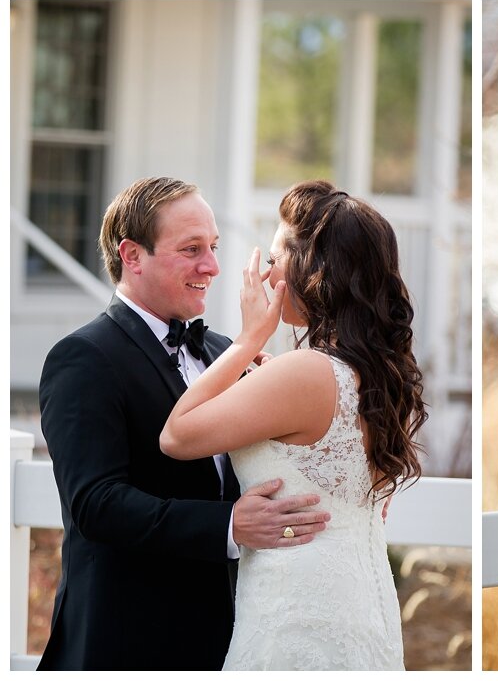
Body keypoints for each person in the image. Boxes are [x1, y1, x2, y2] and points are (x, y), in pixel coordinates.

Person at [37, 177, 331, 670]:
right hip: (127, 641)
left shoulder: (224, 352)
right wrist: (228, 525)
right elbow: (96, 502)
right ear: (132, 255)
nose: (212, 266)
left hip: (231, 637)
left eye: (213, 247)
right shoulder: (83, 357)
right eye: (191, 249)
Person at [160, 180, 426, 671]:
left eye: (279, 254)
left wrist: (246, 340)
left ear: (315, 268)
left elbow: (177, 436)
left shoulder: (304, 372)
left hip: (299, 611)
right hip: (362, 604)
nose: (266, 271)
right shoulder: (374, 374)